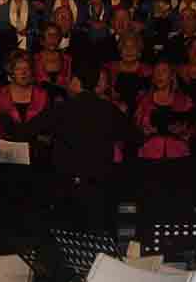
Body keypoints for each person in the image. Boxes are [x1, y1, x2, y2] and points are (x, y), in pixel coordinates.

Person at [9, 62, 137, 235]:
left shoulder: (61, 109)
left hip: (66, 185)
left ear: (77, 82)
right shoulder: (108, 109)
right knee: (99, 237)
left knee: (67, 237)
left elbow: (24, 132)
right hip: (100, 185)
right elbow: (135, 137)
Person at [0, 51, 50, 236]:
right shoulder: (0, 95)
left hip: (35, 159)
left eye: (27, 69)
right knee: (7, 209)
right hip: (8, 158)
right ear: (11, 72)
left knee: (33, 210)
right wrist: (3, 135)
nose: (24, 73)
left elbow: (48, 123)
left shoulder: (42, 94)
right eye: (19, 69)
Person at [134, 59, 195, 228]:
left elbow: (194, 129)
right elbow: (135, 128)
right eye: (156, 71)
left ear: (172, 76)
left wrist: (182, 131)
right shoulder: (143, 100)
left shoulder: (184, 100)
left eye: (164, 71)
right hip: (150, 156)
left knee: (175, 206)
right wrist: (144, 131)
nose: (159, 75)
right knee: (149, 205)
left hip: (177, 157)